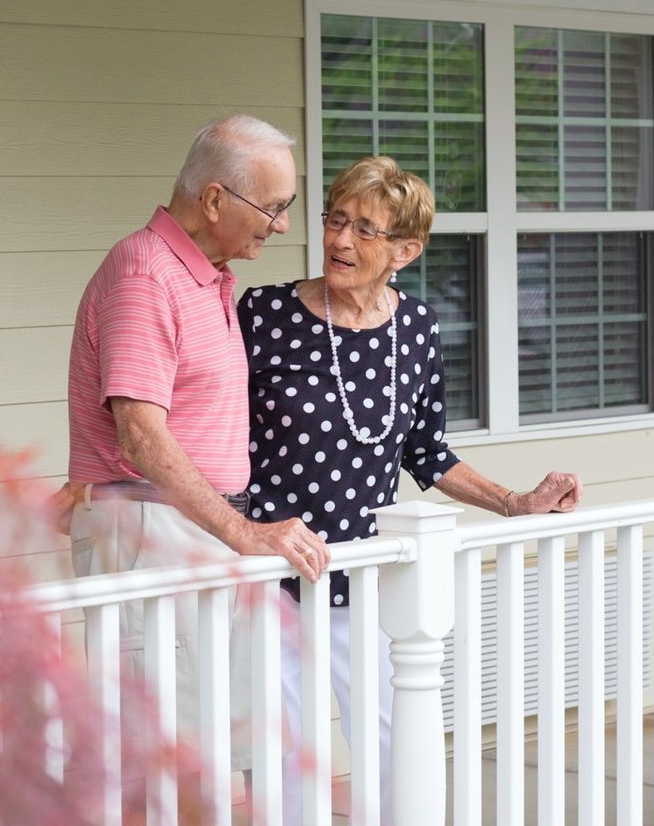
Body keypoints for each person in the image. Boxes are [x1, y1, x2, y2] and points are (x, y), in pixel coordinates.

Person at [237, 155, 582, 824]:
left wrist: (514, 501)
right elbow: (209, 424)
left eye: (365, 229)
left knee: (397, 747)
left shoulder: (416, 330)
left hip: (367, 582)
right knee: (281, 759)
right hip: (272, 579)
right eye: (336, 219)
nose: (340, 240)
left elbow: (427, 452)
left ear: (406, 250)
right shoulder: (266, 313)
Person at [62, 115, 331, 788]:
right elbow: (141, 435)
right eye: (273, 208)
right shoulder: (146, 272)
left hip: (194, 528)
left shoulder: (205, 279)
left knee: (212, 751)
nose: (281, 226)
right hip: (152, 527)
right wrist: (242, 529)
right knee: (158, 759)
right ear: (215, 200)